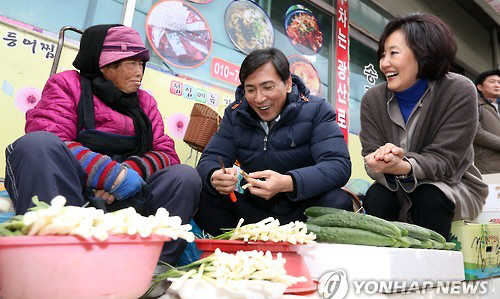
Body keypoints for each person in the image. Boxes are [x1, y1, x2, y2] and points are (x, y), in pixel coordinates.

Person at [4, 24, 201, 265]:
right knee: (36, 145)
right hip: (72, 194)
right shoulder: (67, 85)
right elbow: (51, 136)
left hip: (129, 198)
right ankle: (52, 261)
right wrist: (111, 176)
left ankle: (152, 268)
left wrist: (129, 174)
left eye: (142, 64)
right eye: (132, 63)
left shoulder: (145, 103)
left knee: (184, 176)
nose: (140, 72)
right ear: (106, 64)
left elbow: (166, 153)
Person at [195, 48, 352, 236]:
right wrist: (215, 177)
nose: (259, 98)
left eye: (268, 87)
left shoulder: (316, 110)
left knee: (338, 201)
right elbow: (210, 158)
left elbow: (338, 165)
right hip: (251, 212)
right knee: (202, 194)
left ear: (287, 83)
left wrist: (288, 182)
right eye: (250, 89)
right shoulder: (235, 114)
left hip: (302, 211)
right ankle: (233, 255)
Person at [359, 13, 488, 240]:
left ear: (424, 52)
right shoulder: (372, 99)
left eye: (393, 53)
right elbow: (370, 154)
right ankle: (384, 272)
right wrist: (377, 162)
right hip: (395, 186)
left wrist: (406, 166)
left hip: (453, 184)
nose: (384, 63)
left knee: (428, 196)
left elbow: (447, 160)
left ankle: (437, 272)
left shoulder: (459, 90)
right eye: (382, 55)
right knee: (376, 197)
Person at [473, 69, 500, 174]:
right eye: (492, 82)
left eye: (499, 82)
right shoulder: (474, 104)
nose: (497, 85)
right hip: (486, 167)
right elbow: (475, 132)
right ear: (480, 87)